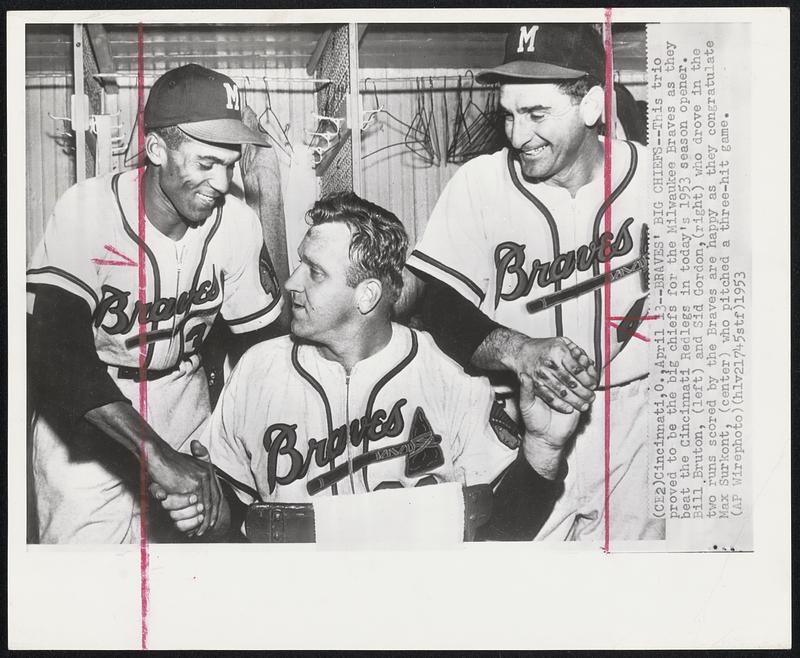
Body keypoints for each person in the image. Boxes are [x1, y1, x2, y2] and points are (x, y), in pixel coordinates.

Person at [153, 192, 581, 542]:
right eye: (300, 262)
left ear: (367, 295)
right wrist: (206, 509)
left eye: (314, 272)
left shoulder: (446, 374)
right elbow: (235, 520)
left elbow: (501, 534)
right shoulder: (258, 371)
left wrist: (543, 449)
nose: (290, 282)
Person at [405, 23, 663, 541]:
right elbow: (438, 307)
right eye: (508, 114)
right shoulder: (480, 183)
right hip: (521, 423)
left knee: (634, 596)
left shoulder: (663, 177)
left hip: (637, 423)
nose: (518, 135)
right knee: (516, 590)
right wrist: (519, 350)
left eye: (536, 114)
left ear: (592, 105)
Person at [27, 63, 283, 543]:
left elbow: (263, 351)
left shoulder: (237, 225)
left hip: (185, 406)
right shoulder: (87, 210)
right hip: (88, 415)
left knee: (187, 584)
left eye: (230, 164)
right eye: (205, 163)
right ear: (156, 149)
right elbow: (54, 352)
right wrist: (158, 455)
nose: (223, 182)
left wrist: (238, 450)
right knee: (83, 592)